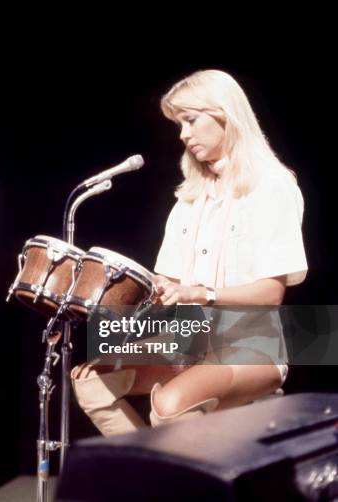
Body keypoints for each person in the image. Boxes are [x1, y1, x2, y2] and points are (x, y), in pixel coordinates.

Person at [71, 69, 307, 436]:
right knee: (91, 380)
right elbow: (170, 286)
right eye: (179, 124)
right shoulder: (189, 199)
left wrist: (201, 293)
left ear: (224, 115)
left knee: (169, 405)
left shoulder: (272, 186)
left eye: (191, 120)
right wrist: (115, 286)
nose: (183, 134)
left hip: (253, 346)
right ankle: (150, 478)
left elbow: (270, 293)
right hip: (191, 337)